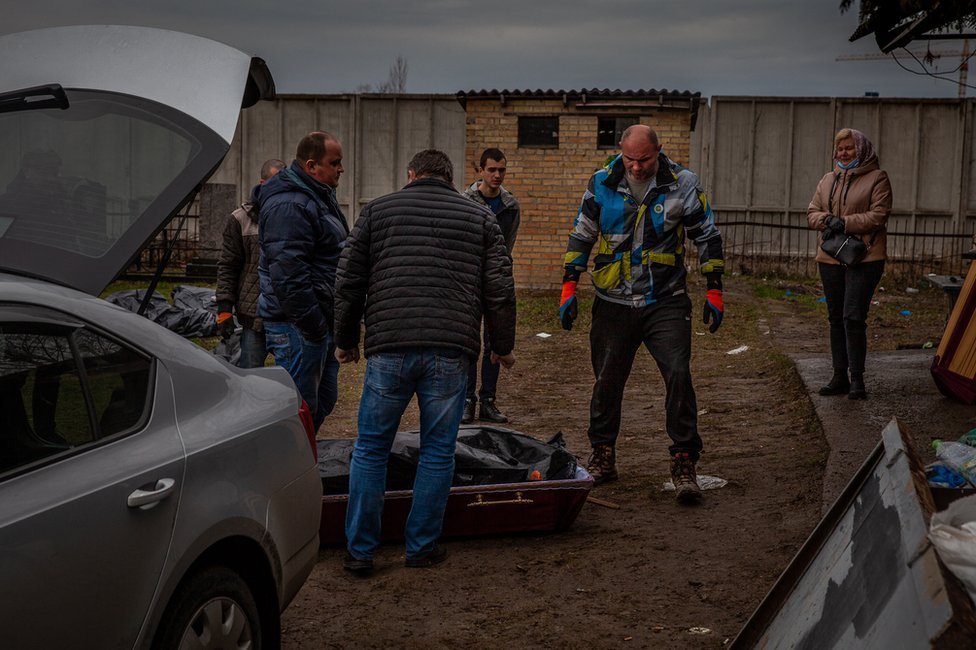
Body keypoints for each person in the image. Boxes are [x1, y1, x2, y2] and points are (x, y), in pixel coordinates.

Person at [334, 149, 516, 573]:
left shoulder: (376, 212)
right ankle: (420, 548)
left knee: (371, 449)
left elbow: (347, 281)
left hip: (389, 348)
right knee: (438, 451)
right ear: (452, 180)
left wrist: (345, 340)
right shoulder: (480, 218)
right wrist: (501, 345)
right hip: (450, 352)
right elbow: (500, 289)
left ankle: (360, 552)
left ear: (411, 175)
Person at [559, 124, 724, 504]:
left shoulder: (682, 183)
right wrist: (570, 285)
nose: (635, 167)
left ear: (658, 152)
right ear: (621, 152)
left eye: (644, 160)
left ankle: (684, 458)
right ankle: (602, 454)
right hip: (612, 301)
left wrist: (714, 289)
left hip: (664, 299)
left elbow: (707, 235)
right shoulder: (602, 181)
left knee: (678, 375)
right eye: (630, 159)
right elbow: (582, 232)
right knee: (606, 380)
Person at [256, 132, 348, 430]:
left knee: (320, 402)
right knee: (297, 413)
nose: (341, 169)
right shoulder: (290, 205)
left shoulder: (316, 197)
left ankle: (302, 461)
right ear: (311, 166)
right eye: (335, 163)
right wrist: (314, 328)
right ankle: (280, 469)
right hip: (297, 326)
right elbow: (289, 276)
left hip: (316, 321)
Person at [807, 128, 891, 400]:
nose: (843, 153)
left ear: (861, 149)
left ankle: (857, 378)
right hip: (831, 257)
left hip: (865, 258)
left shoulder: (878, 178)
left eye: (849, 148)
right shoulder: (828, 179)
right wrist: (827, 220)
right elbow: (812, 212)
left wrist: (845, 222)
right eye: (840, 148)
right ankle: (839, 376)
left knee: (853, 317)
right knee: (835, 317)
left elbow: (879, 215)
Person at [462, 147, 521, 424]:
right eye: (492, 170)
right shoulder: (465, 201)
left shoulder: (510, 205)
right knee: (469, 342)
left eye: (502, 170)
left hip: (495, 280)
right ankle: (466, 401)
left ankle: (488, 400)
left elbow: (506, 246)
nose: (497, 175)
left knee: (495, 342)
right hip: (469, 279)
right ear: (480, 171)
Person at [216, 158, 285, 368]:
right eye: (276, 183)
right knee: (251, 375)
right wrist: (224, 309)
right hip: (253, 316)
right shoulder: (240, 220)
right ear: (262, 184)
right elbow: (228, 265)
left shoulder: (292, 217)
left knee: (291, 381)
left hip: (286, 317)